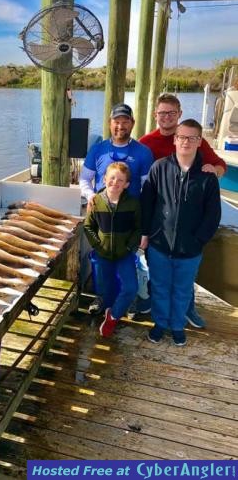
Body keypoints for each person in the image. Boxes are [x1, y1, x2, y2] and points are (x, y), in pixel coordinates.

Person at [139, 93, 227, 328]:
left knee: (184, 277)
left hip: (189, 220)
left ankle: (186, 308)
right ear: (155, 115)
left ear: (179, 114)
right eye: (162, 113)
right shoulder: (146, 142)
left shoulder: (193, 136)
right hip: (161, 221)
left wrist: (211, 176)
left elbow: (220, 165)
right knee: (156, 270)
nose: (166, 117)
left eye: (171, 112)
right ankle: (154, 306)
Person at [80, 103, 153, 315]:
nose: (120, 126)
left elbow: (148, 189)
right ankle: (102, 298)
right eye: (116, 121)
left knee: (127, 261)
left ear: (132, 123)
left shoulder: (143, 153)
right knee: (102, 262)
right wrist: (91, 195)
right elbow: (84, 179)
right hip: (102, 214)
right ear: (110, 123)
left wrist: (142, 229)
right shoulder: (98, 149)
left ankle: (126, 299)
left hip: (129, 217)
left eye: (125, 121)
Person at [84, 162, 141, 337]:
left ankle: (114, 316)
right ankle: (106, 310)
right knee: (105, 290)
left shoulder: (133, 204)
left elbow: (138, 228)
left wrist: (130, 246)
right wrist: (97, 245)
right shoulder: (96, 201)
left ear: (127, 184)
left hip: (124, 254)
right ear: (104, 179)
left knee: (131, 288)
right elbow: (88, 226)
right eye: (112, 178)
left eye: (120, 180)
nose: (115, 182)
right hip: (103, 254)